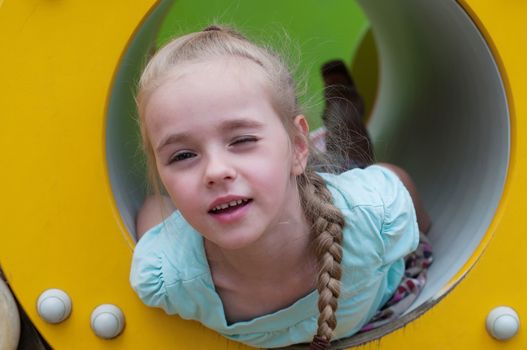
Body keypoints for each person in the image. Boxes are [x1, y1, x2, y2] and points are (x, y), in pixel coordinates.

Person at [130, 25, 431, 349]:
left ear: (298, 144)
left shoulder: (371, 214)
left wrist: (423, 229)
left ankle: (343, 105)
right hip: (284, 182)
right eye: (183, 155)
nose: (215, 171)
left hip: (332, 199)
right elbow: (152, 212)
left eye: (242, 140)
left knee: (350, 156)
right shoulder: (171, 275)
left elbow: (394, 180)